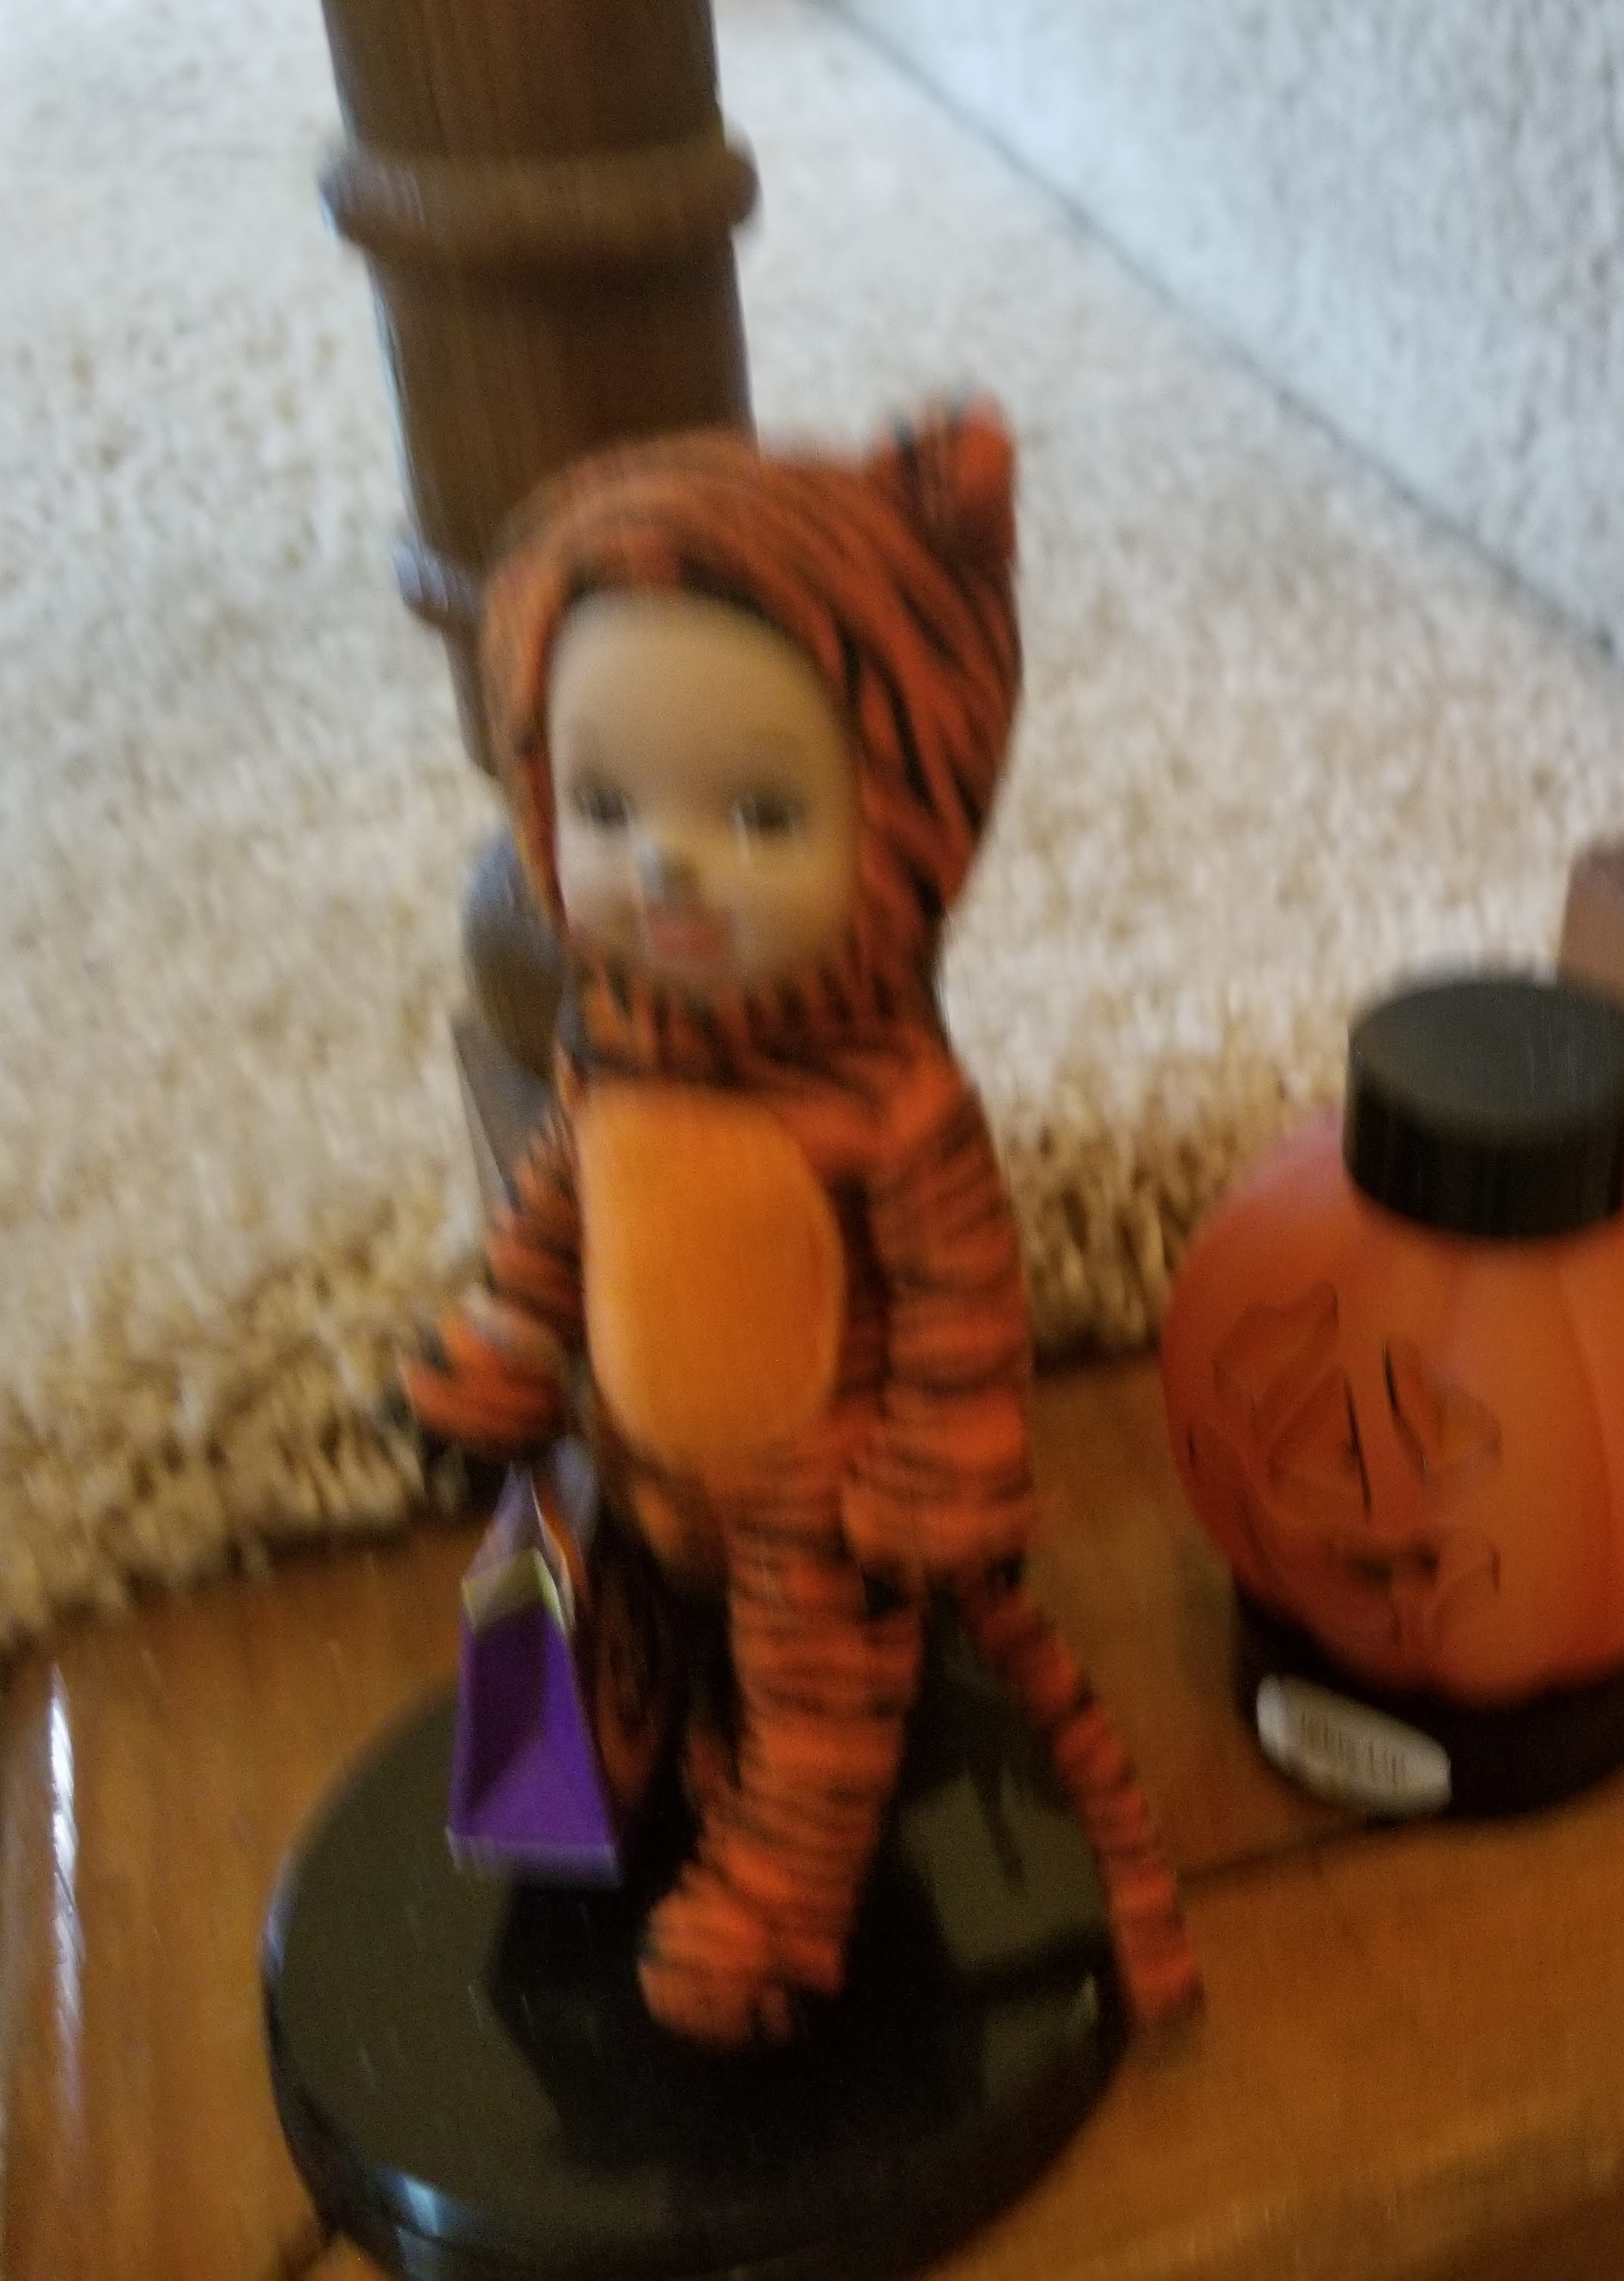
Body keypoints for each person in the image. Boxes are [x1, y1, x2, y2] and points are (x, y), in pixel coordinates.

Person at [404, 405, 1199, 2044]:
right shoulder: (613, 1046)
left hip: (816, 1504)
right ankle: (638, 1761)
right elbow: (564, 1198)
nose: (667, 871)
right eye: (606, 806)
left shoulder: (891, 1105)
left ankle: (787, 1885)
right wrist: (507, 1336)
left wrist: (942, 1467)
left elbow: (959, 1294)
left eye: (760, 817)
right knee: (588, 1627)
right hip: (640, 1460)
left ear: (904, 824)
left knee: (819, 1691)